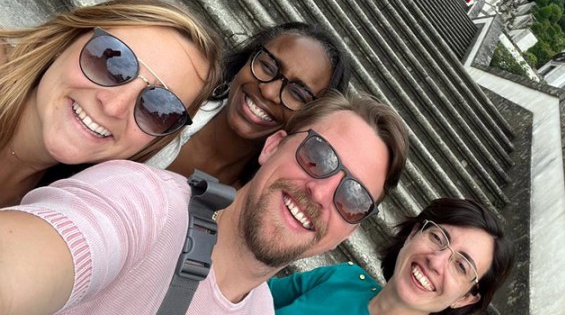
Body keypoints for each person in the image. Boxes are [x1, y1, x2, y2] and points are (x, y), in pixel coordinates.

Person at [0, 90, 409, 314]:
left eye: (353, 197)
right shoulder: (148, 203)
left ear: (349, 230)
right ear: (273, 145)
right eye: (317, 157)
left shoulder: (262, 309)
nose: (321, 194)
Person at [0, 0, 223, 207]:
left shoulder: (63, 211)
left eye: (157, 107)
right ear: (65, 43)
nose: (113, 107)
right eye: (110, 63)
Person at [145, 21, 352, 186]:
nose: (269, 91)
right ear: (248, 58)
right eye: (268, 67)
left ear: (311, 117)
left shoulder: (261, 196)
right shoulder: (167, 101)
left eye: (297, 93)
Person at [269, 198, 515, 315]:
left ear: (465, 299)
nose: (436, 261)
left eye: (461, 266)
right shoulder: (343, 277)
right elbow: (248, 297)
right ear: (413, 234)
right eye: (438, 237)